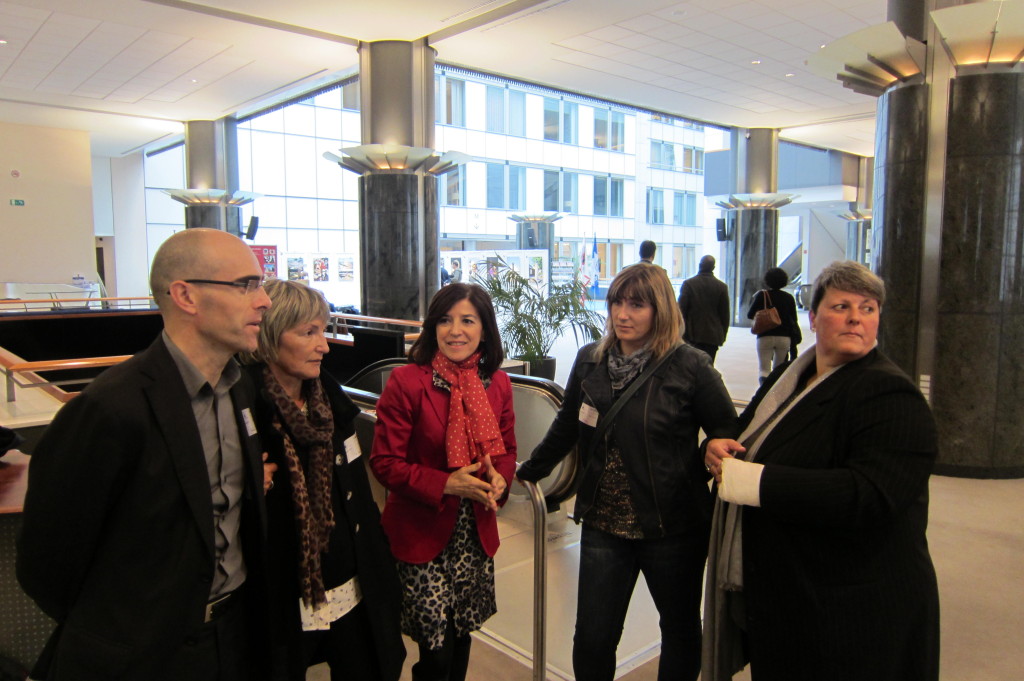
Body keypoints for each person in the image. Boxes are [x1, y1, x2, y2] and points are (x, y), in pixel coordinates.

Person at [17, 228, 274, 681]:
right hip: (142, 654)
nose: (264, 301)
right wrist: (120, 632)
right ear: (185, 296)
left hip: (232, 639)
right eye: (246, 285)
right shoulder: (111, 407)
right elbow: (47, 562)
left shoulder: (240, 390)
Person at [702, 260, 939, 681]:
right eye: (841, 306)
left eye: (868, 308)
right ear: (813, 318)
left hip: (852, 611)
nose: (854, 318)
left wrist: (754, 482)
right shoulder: (791, 379)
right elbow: (746, 436)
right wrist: (714, 446)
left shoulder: (890, 394)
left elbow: (870, 494)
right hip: (791, 598)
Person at [517, 263, 736, 681]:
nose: (623, 314)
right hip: (604, 524)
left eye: (637, 304)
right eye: (617, 301)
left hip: (673, 527)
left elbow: (727, 428)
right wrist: (528, 472)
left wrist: (710, 448)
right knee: (594, 638)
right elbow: (566, 427)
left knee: (679, 629)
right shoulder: (590, 361)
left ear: (661, 310)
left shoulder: (690, 365)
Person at [241, 279, 405, 681]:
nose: (324, 345)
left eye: (324, 330)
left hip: (350, 583)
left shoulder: (331, 403)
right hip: (282, 596)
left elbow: (359, 497)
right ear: (270, 336)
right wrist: (243, 482)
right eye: (308, 332)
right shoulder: (242, 413)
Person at [369, 283, 517, 681]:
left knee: (462, 633)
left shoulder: (498, 383)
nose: (456, 331)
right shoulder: (407, 382)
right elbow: (384, 462)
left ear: (484, 329)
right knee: (435, 649)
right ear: (432, 327)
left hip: (473, 534)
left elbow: (506, 450)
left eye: (468, 321)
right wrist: (445, 484)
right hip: (422, 532)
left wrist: (500, 479)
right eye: (446, 320)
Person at [747, 266, 801, 383]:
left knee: (764, 369)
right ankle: (774, 394)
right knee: (778, 370)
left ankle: (763, 392)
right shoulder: (789, 298)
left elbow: (750, 314)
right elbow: (794, 320)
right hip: (784, 338)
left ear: (767, 280)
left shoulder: (762, 295)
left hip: (765, 336)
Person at [678, 255, 730, 363]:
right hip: (713, 336)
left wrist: (680, 333)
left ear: (699, 265)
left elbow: (681, 310)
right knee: (708, 367)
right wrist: (722, 335)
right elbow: (725, 315)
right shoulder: (722, 287)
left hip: (692, 334)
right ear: (713, 267)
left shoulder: (689, 284)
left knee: (690, 366)